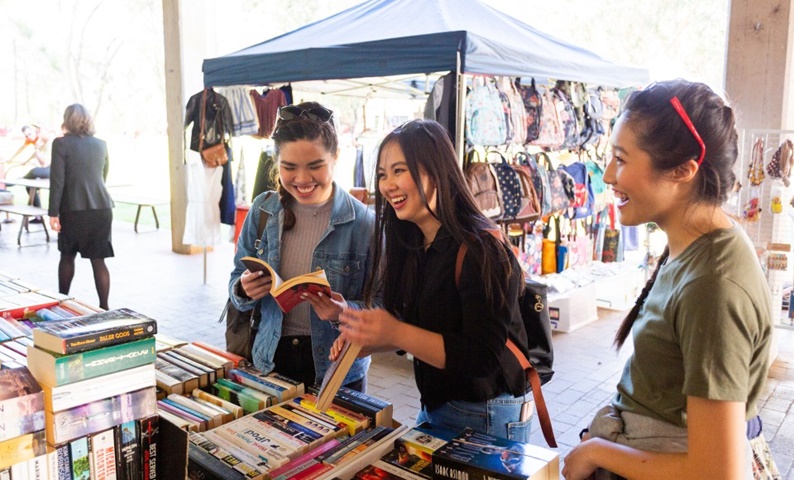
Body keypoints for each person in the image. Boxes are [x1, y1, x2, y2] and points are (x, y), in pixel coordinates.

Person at [561, 80, 774, 479]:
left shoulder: (714, 285)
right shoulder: (692, 247)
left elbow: (720, 473)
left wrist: (598, 453)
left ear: (683, 170)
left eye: (621, 159)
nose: (608, 175)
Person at [332, 119, 532, 442]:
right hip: (438, 408)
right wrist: (370, 340)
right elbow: (426, 332)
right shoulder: (412, 241)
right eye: (383, 175)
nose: (388, 185)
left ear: (436, 169)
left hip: (486, 415)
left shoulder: (482, 250)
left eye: (399, 171)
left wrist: (394, 331)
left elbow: (481, 357)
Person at [228, 101, 375, 391]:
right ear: (276, 162)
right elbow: (236, 282)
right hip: (269, 361)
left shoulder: (364, 223)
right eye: (289, 167)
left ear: (336, 157)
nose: (303, 179)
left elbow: (384, 306)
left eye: (315, 166)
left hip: (337, 371)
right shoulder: (263, 210)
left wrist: (343, 310)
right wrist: (244, 289)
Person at [48, 104, 114, 311]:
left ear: (67, 120)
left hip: (73, 209)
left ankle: (62, 301)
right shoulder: (101, 144)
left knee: (67, 256)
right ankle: (104, 307)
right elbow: (103, 175)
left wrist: (52, 213)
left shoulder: (60, 144)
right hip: (101, 208)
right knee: (98, 260)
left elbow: (57, 181)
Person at [3, 124, 52, 222]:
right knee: (29, 187)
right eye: (26, 136)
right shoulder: (35, 141)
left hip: (50, 169)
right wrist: (17, 159)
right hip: (44, 167)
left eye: (30, 134)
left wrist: (37, 149)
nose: (29, 137)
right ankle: (38, 217)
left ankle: (17, 181)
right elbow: (23, 149)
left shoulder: (47, 140)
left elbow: (44, 161)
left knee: (33, 172)